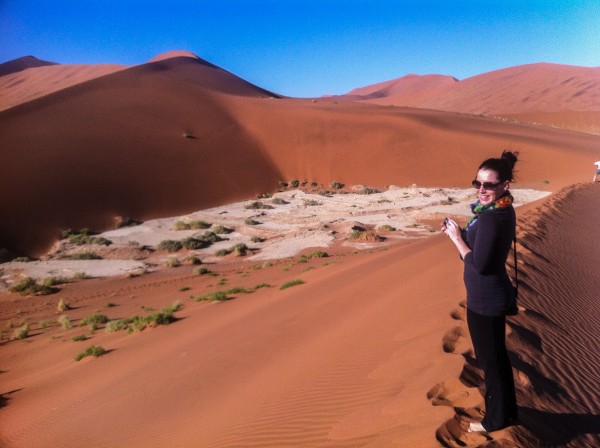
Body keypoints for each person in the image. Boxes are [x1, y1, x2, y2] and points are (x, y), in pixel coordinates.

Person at [442, 150, 519, 433]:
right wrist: (464, 234)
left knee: (491, 363)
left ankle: (496, 420)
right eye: (478, 184)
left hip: (485, 301)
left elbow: (480, 264)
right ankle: (506, 413)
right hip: (491, 296)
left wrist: (457, 239)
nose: (482, 190)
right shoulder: (499, 210)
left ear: (504, 186)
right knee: (496, 359)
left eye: (488, 185)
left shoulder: (491, 218)